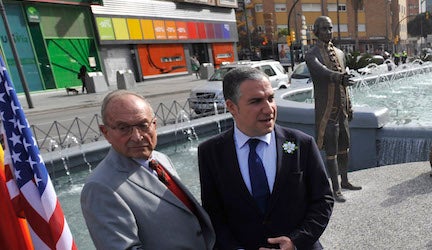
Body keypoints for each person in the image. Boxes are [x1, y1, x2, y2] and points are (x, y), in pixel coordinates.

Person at [198, 66, 333, 249]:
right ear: (231, 107)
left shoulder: (303, 144)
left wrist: (296, 241)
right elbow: (214, 214)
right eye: (256, 101)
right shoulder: (210, 152)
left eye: (270, 98)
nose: (268, 109)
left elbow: (323, 200)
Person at [81, 90, 215, 249]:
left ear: (154, 125)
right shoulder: (100, 187)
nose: (137, 136)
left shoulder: (160, 159)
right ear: (105, 132)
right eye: (124, 128)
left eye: (143, 125)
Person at [304, 16, 360, 202]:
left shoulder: (340, 53)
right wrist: (339, 77)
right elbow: (322, 72)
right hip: (327, 112)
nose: (328, 32)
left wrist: (349, 105)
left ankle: (345, 181)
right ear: (316, 31)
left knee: (345, 148)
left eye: (330, 28)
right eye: (324, 29)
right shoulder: (311, 54)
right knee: (331, 152)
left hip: (342, 111)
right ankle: (335, 188)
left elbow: (345, 85)